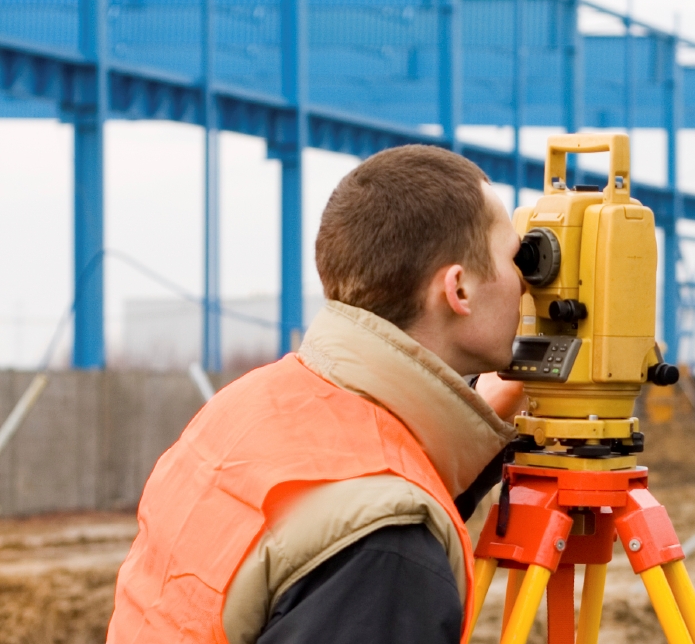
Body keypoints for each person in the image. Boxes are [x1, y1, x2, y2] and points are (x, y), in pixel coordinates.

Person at [107, 145, 526, 643]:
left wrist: (465, 431)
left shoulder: (250, 402)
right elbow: (359, 539)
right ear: (458, 290)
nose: (526, 284)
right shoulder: (387, 550)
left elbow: (318, 527)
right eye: (515, 258)